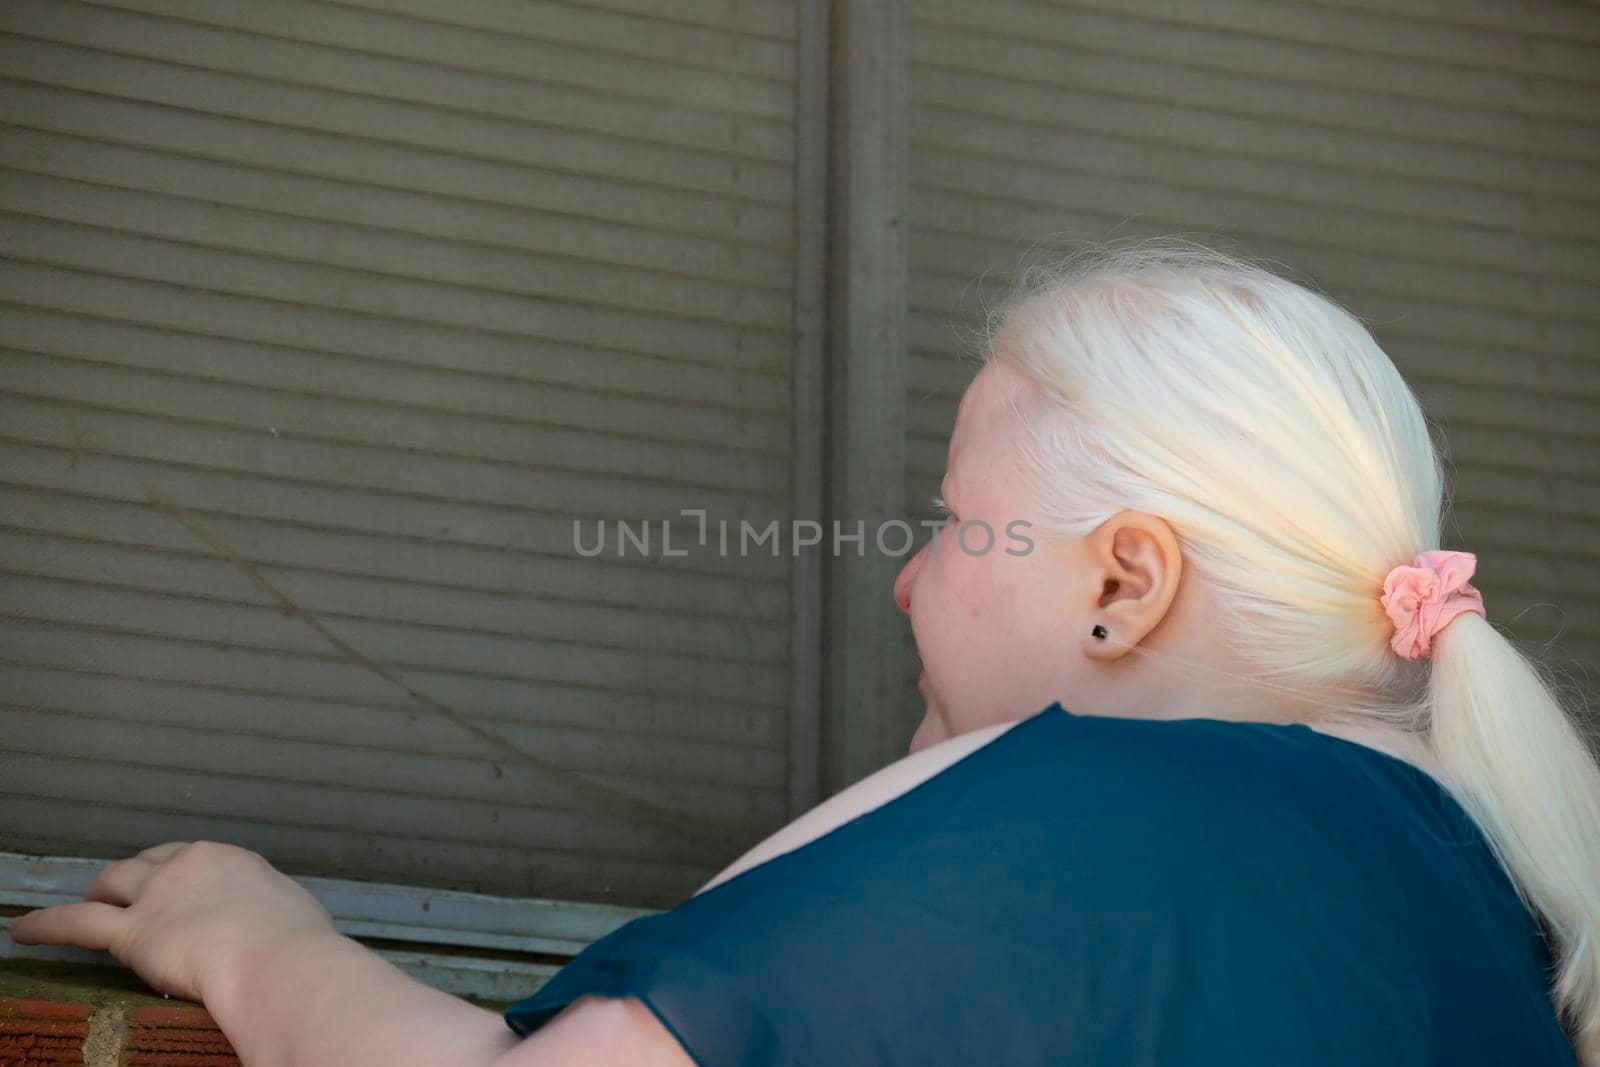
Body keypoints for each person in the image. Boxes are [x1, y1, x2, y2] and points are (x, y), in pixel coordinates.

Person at [10, 239, 1599, 1066]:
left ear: (1124, 587)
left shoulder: (1108, 813)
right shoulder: (1479, 898)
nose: (907, 586)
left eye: (953, 519)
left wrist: (245, 936)